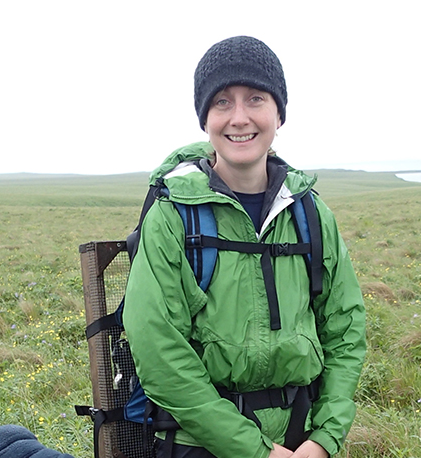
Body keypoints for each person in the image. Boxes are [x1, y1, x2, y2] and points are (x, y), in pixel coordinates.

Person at [123, 36, 366, 458]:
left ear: (278, 113)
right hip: (199, 444)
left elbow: (346, 331)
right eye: (221, 102)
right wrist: (257, 452)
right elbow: (159, 352)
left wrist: (325, 439)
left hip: (302, 439)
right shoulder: (173, 216)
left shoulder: (311, 214)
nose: (239, 118)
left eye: (255, 98)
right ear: (205, 119)